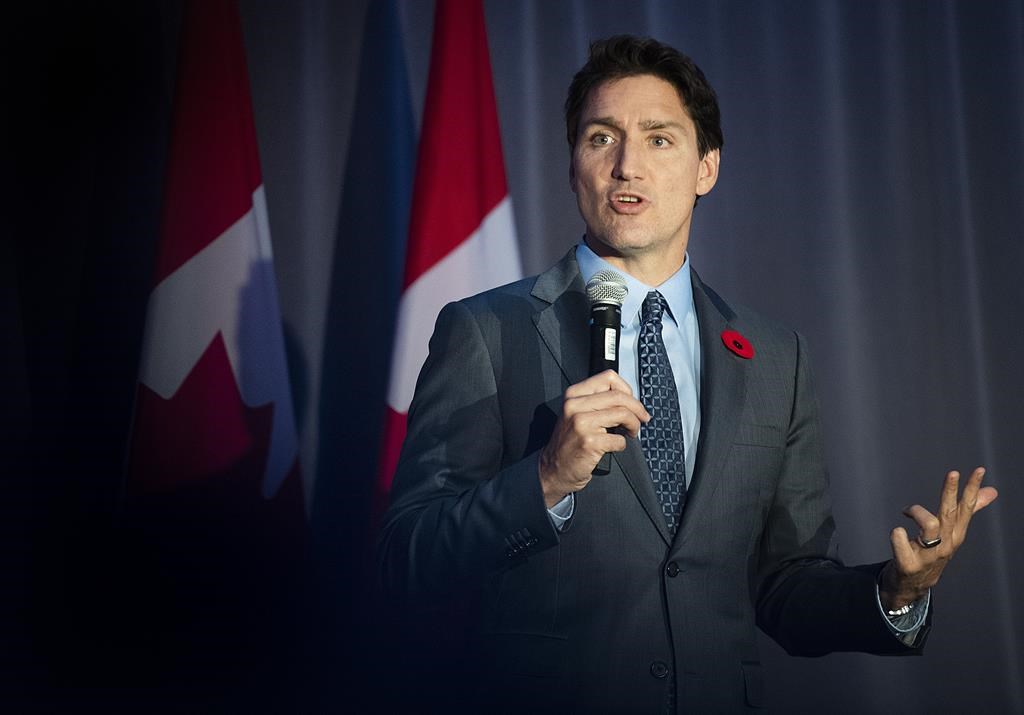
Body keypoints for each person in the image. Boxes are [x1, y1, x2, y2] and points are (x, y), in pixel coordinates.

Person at [377, 35, 997, 713]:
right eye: (601, 138)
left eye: (659, 139)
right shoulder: (486, 330)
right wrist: (546, 478)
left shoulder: (775, 356)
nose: (627, 166)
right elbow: (406, 560)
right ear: (573, 166)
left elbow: (786, 583)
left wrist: (897, 593)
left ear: (707, 168)